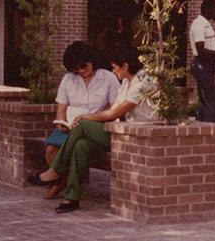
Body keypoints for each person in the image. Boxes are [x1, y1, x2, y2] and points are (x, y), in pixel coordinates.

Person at [40, 47, 155, 212]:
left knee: (83, 124)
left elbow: (114, 112)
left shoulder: (142, 83)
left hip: (138, 136)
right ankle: (71, 198)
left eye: (115, 68)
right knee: (81, 146)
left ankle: (56, 170)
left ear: (125, 66)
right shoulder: (125, 83)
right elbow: (114, 110)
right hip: (123, 132)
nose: (113, 72)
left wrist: (85, 117)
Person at [28, 41, 118, 186]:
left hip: (95, 126)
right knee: (51, 148)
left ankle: (57, 179)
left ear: (92, 60)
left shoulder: (108, 78)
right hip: (70, 125)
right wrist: (61, 125)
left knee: (78, 145)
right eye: (76, 69)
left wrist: (90, 119)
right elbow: (61, 110)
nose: (81, 71)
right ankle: (61, 181)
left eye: (84, 66)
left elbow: (115, 111)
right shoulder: (68, 80)